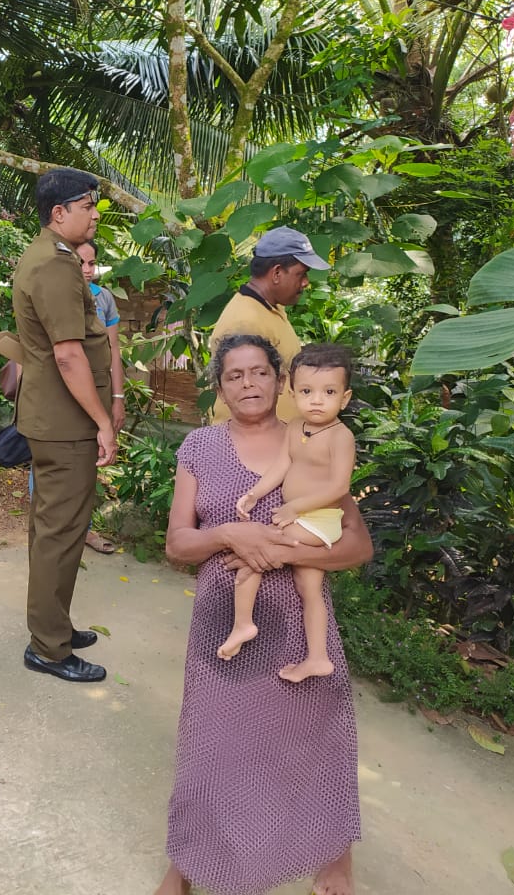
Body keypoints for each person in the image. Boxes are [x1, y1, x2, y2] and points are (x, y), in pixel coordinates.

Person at [155, 332, 370, 895]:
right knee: (212, 743)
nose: (248, 383)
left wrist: (284, 552)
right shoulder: (199, 448)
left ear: (281, 380)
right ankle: (187, 864)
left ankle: (333, 856)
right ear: (219, 388)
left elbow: (356, 547)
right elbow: (178, 543)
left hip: (298, 620)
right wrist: (228, 532)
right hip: (220, 621)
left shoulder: (313, 436)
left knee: (314, 737)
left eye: (259, 372)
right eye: (234, 375)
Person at [12, 167, 117, 683]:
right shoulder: (54, 265)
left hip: (56, 417)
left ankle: (54, 626)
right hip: (65, 422)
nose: (95, 214)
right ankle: (49, 648)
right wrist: (103, 420)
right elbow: (69, 354)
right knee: (59, 533)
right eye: (87, 205)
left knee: (56, 530)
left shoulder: (54, 257)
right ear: (59, 213)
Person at [229, 343, 356, 681]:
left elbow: (339, 487)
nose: (316, 400)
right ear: (292, 391)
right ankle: (318, 657)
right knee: (309, 589)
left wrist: (294, 508)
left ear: (344, 398)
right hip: (301, 519)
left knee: (258, 552)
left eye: (329, 391)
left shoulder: (341, 437)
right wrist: (255, 493)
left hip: (319, 521)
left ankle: (243, 624)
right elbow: (282, 465)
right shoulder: (295, 427)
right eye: (307, 391)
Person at [208, 226, 330, 424]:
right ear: (277, 273)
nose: (306, 282)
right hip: (250, 448)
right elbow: (247, 402)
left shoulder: (271, 308)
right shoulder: (246, 322)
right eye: (301, 274)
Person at [78, 239, 125, 554]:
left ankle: (84, 529)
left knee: (89, 460)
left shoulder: (103, 298)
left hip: (96, 388)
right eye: (81, 262)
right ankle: (47, 529)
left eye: (91, 263)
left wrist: (118, 396)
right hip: (60, 388)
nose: (87, 270)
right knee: (49, 462)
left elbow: (113, 349)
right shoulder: (55, 294)